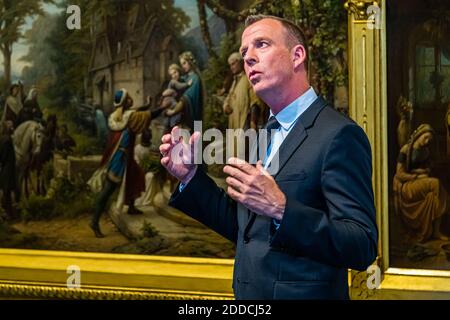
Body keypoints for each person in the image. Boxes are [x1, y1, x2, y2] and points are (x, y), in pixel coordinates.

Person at [160, 15, 377, 300]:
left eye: (261, 44)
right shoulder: (262, 136)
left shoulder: (340, 135)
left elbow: (361, 245)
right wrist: (190, 177)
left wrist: (282, 209)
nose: (248, 57)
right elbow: (246, 230)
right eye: (244, 52)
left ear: (297, 55)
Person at [88, 89, 165, 238]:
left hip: (122, 156)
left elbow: (135, 112)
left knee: (136, 175)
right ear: (125, 101)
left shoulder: (116, 116)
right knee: (108, 190)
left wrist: (146, 104)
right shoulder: (130, 117)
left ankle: (130, 206)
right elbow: (146, 116)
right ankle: (94, 221)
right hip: (120, 159)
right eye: (128, 97)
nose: (131, 99)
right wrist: (163, 108)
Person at [393, 124, 449, 243]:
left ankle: (435, 231)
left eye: (429, 139)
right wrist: (417, 175)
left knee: (432, 198)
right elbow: (399, 174)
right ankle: (437, 229)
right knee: (436, 184)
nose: (427, 141)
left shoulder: (425, 152)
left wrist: (423, 172)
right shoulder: (406, 150)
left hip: (419, 182)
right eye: (425, 137)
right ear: (419, 135)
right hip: (406, 186)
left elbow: (427, 169)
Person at [223, 52, 266, 131]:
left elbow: (255, 102)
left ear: (240, 63)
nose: (232, 67)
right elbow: (229, 98)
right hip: (234, 123)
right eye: (230, 65)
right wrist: (226, 106)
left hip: (245, 121)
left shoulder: (248, 79)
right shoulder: (234, 82)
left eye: (233, 64)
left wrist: (253, 121)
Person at [165, 51, 204, 130]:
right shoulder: (186, 78)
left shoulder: (194, 79)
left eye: (184, 63)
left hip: (192, 118)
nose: (183, 66)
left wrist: (174, 111)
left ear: (190, 62)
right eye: (182, 64)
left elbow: (185, 99)